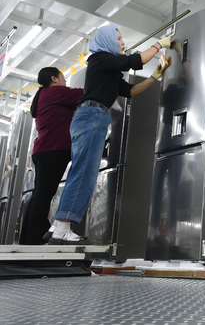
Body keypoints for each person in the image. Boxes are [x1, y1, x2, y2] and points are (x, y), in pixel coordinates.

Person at [48, 24, 171, 245]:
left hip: (92, 116)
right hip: (92, 115)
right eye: (119, 38)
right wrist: (159, 44)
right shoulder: (100, 58)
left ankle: (59, 226)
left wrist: (154, 77)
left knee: (81, 172)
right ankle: (63, 229)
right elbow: (136, 60)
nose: (123, 42)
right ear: (106, 41)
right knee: (84, 173)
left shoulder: (109, 69)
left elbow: (129, 92)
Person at [19, 67, 83, 245]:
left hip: (43, 151)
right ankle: (37, 237)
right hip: (52, 150)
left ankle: (29, 238)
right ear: (54, 78)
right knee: (44, 194)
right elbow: (83, 93)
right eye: (63, 77)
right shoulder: (55, 91)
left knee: (40, 194)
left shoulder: (44, 95)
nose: (65, 81)